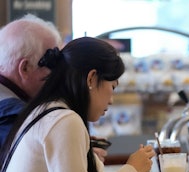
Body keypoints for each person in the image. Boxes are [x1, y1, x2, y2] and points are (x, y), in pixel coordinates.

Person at [0, 37, 155, 172]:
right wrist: (132, 170)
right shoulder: (64, 120)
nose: (112, 100)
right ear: (91, 78)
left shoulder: (42, 113)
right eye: (112, 87)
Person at [0, 14, 108, 162]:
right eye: (53, 64)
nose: (59, 74)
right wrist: (80, 156)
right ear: (25, 68)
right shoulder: (12, 115)